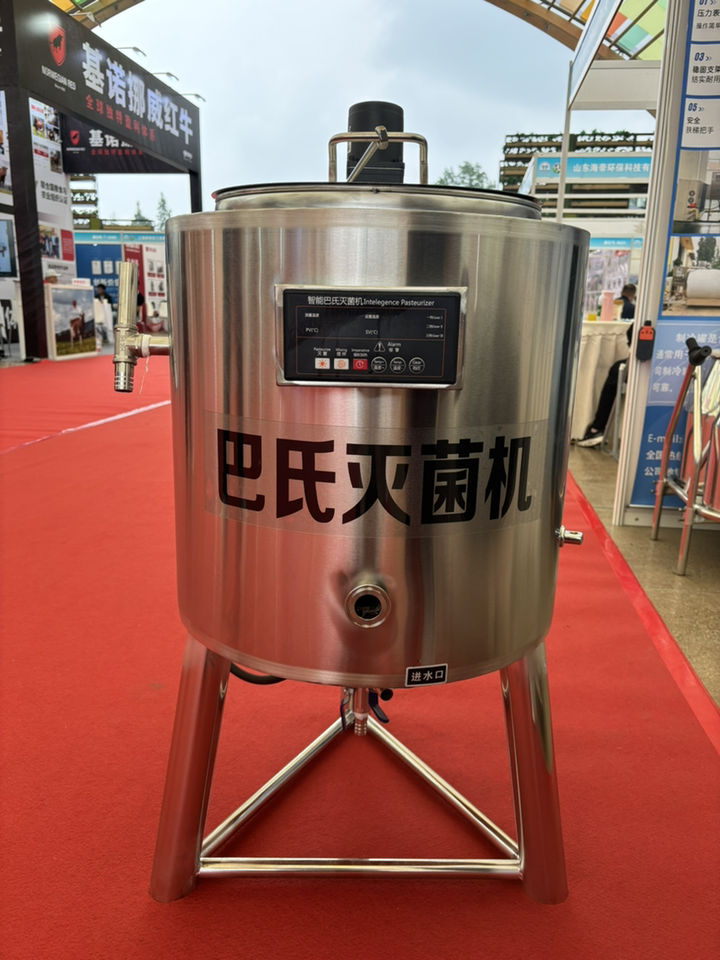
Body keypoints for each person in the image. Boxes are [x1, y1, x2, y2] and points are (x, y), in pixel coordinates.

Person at [577, 283, 636, 448]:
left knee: (616, 371)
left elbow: (631, 335)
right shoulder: (634, 308)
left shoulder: (621, 304)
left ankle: (597, 427)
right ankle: (597, 428)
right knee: (617, 370)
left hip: (638, 366)